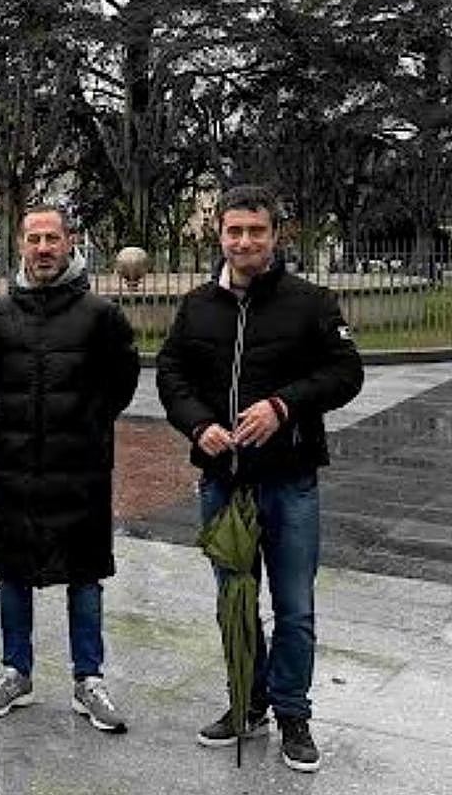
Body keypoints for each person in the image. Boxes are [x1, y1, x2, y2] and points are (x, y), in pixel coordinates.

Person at [156, 184, 363, 773]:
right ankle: (248, 705)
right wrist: (198, 426)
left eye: (256, 231)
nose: (244, 241)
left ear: (275, 236)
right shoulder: (197, 306)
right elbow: (172, 375)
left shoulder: (312, 302)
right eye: (234, 231)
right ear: (219, 235)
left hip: (290, 480)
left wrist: (282, 406)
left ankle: (294, 712)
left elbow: (346, 372)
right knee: (235, 601)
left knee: (294, 605)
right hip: (222, 482)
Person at [0, 205, 138, 730]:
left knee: (84, 574)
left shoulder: (101, 315)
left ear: (70, 242)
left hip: (79, 469)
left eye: (52, 239)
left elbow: (121, 383)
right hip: (13, 467)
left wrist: (83, 425)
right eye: (34, 238)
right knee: (11, 570)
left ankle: (89, 679)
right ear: (21, 244)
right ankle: (15, 671)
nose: (43, 249)